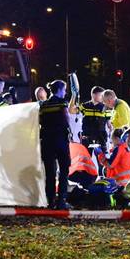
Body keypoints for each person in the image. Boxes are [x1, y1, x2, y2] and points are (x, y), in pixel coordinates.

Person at [38, 79, 73, 209]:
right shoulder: (62, 103)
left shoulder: (43, 104)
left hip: (47, 141)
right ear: (59, 90)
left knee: (50, 172)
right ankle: (62, 202)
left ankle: (50, 201)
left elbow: (40, 120)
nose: (65, 92)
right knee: (64, 171)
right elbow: (66, 117)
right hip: (60, 141)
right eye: (64, 89)